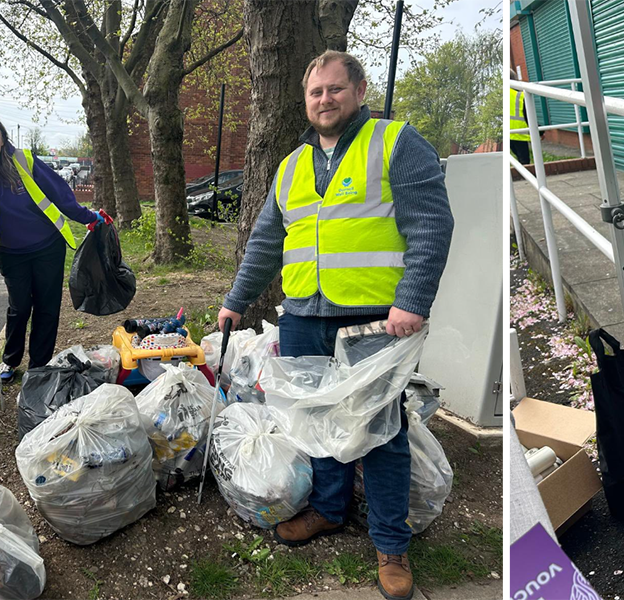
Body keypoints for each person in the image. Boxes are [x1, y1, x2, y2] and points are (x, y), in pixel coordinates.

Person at [216, 50, 452, 600]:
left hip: (374, 323)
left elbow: (432, 226)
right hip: (303, 317)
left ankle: (391, 544)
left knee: (380, 434)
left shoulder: (396, 143)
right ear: (306, 100)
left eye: (335, 89)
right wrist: (235, 300)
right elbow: (266, 243)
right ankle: (327, 509)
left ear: (359, 90)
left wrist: (412, 301)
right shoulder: (292, 165)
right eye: (316, 92)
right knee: (316, 424)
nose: (325, 100)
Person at [0, 113, 108, 383]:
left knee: (47, 307)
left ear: (3, 139)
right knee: (19, 306)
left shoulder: (23, 160)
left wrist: (86, 217)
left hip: (47, 246)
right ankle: (11, 359)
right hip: (11, 252)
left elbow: (58, 191)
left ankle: (39, 365)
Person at [509, 84, 532, 165]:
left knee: (517, 159)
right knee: (524, 161)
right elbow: (529, 116)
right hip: (519, 133)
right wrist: (540, 132)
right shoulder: (520, 96)